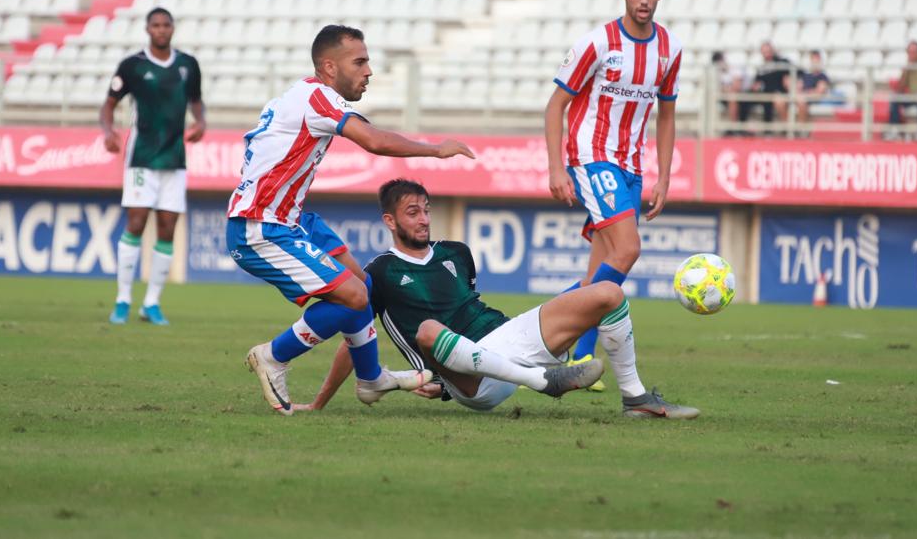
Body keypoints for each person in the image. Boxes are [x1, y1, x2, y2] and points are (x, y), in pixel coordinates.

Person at [296, 179, 699, 419]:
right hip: (468, 380)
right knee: (429, 330)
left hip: (506, 340)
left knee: (608, 292)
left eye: (426, 210)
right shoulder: (379, 272)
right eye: (413, 212)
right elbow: (356, 336)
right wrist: (318, 403)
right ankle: (542, 381)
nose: (423, 219)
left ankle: (636, 399)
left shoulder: (456, 251)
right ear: (390, 221)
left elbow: (472, 303)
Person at [232, 24, 475, 416]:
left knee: (362, 284)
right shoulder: (317, 98)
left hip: (292, 219)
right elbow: (374, 141)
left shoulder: (299, 96)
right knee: (354, 296)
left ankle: (370, 378)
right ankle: (273, 356)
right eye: (359, 61)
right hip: (260, 226)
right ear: (329, 67)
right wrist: (437, 150)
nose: (369, 71)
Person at [543, 0, 683, 388]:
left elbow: (667, 115)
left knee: (598, 270)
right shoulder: (598, 43)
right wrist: (555, 168)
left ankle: (575, 358)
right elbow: (556, 106)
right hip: (590, 156)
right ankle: (552, 335)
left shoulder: (670, 49)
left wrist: (664, 176)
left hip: (631, 168)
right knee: (627, 250)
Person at [100, 7, 205, 326]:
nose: (161, 30)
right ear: (148, 30)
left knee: (167, 228)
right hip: (142, 155)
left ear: (173, 29)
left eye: (166, 25)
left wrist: (201, 121)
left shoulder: (188, 65)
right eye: (155, 25)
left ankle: (152, 303)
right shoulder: (132, 66)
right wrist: (108, 131)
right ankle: (122, 300)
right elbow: (109, 104)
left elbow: (196, 100)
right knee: (136, 222)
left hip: (174, 157)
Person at [740, 41, 795, 128]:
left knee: (772, 100)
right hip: (764, 93)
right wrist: (755, 86)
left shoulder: (782, 62)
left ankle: (784, 129)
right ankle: (740, 128)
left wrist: (788, 80)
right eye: (764, 51)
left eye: (768, 51)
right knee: (744, 98)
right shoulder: (761, 66)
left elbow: (791, 74)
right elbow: (757, 82)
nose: (766, 54)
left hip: (778, 93)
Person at [795, 50, 832, 125]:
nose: (815, 62)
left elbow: (819, 92)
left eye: (817, 59)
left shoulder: (823, 76)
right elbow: (798, 88)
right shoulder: (805, 75)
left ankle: (801, 128)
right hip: (802, 98)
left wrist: (806, 93)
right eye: (813, 59)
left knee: (801, 100)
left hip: (813, 99)